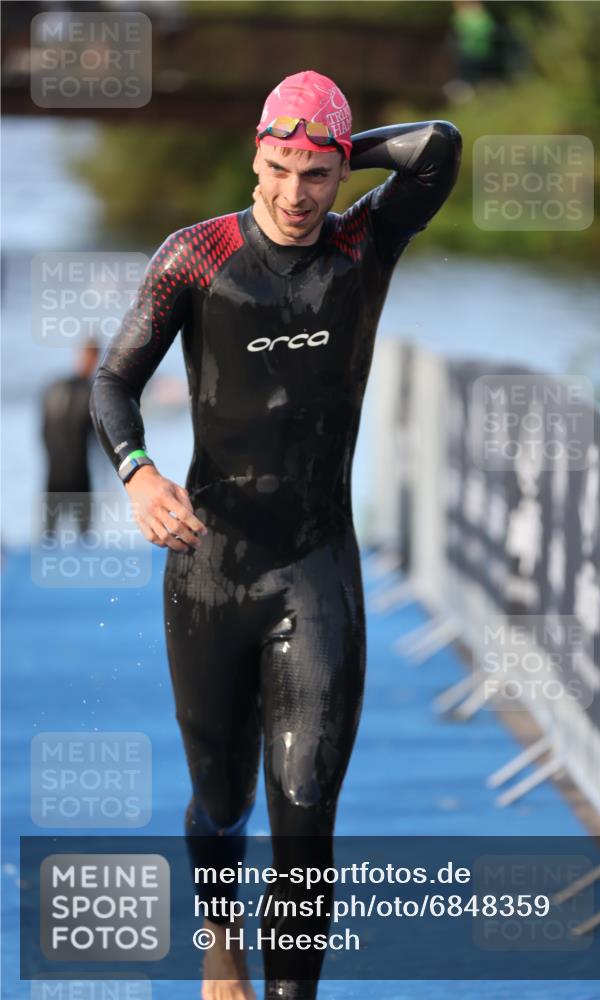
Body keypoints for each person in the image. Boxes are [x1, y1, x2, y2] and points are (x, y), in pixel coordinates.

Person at [90, 70, 461, 1000]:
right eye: (279, 166)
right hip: (209, 570)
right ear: (252, 157)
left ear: (339, 176)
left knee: (305, 811)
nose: (295, 194)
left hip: (315, 569)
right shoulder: (198, 253)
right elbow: (111, 383)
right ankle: (221, 938)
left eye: (316, 174)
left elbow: (441, 145)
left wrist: (342, 142)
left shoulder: (364, 244)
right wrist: (137, 472)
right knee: (223, 800)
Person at [41, 340, 100, 536]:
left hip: (61, 469)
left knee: (57, 532)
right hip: (68, 470)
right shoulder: (83, 390)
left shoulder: (58, 387)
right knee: (55, 532)